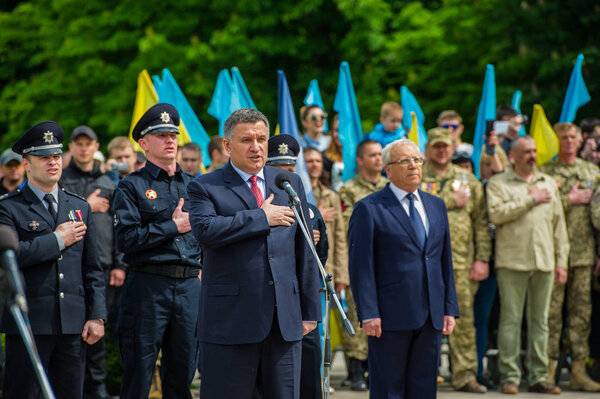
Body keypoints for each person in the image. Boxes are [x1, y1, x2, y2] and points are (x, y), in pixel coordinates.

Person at [188, 108, 321, 399]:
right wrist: (261, 217)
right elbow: (206, 231)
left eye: (262, 139)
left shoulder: (287, 182)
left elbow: (305, 250)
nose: (256, 147)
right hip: (231, 323)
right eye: (246, 140)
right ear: (227, 145)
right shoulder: (204, 186)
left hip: (284, 322)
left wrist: (311, 310)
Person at [0, 121, 106, 398]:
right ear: (26, 163)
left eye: (56, 156)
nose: (52, 163)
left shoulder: (79, 206)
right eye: (44, 157)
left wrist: (96, 315)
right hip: (30, 322)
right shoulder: (8, 207)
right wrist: (57, 240)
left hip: (72, 323)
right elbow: (11, 256)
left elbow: (92, 267)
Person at [348, 138, 459, 398]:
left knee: (423, 389)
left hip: (431, 315)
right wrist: (369, 312)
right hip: (388, 317)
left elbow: (444, 260)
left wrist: (449, 308)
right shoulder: (369, 208)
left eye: (417, 160)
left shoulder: (436, 205)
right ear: (388, 168)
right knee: (389, 389)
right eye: (405, 161)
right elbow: (361, 266)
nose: (413, 166)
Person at [113, 103, 202, 399]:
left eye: (173, 134)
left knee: (182, 373)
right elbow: (126, 239)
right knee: (139, 374)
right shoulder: (131, 186)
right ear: (144, 143)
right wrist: (172, 227)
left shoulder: (195, 185)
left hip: (189, 285)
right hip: (148, 286)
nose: (170, 140)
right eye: (161, 135)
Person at [487, 136, 569, 394]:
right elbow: (496, 215)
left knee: (540, 322)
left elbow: (559, 227)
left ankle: (539, 376)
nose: (532, 155)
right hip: (512, 262)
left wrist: (561, 261)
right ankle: (510, 376)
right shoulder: (498, 183)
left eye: (534, 150)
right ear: (513, 156)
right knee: (510, 320)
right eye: (525, 152)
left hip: (544, 260)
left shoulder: (547, 183)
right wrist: (530, 200)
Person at [421, 128, 490, 394]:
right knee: (424, 320)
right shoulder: (418, 177)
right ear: (428, 149)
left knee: (462, 321)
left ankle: (464, 374)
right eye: (436, 146)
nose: (441, 150)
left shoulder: (467, 179)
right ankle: (427, 374)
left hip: (461, 263)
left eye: (446, 146)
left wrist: (482, 258)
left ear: (452, 147)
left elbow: (482, 222)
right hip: (424, 262)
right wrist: (451, 200)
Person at [60, 125, 127, 399]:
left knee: (98, 330)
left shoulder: (108, 183)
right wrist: (86, 204)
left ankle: (97, 390)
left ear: (96, 146)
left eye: (89, 144)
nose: (84, 148)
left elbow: (119, 227)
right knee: (72, 332)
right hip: (69, 266)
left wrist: (119, 264)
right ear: (72, 147)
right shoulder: (61, 181)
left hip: (103, 266)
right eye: (79, 144)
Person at [265, 133, 327, 399]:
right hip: (269, 305)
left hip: (301, 303)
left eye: (290, 170)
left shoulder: (309, 210)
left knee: (309, 375)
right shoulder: (256, 206)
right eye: (279, 170)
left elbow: (318, 257)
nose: (285, 177)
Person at [541, 123, 600, 391]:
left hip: (584, 253)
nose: (568, 141)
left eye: (573, 137)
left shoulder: (592, 171)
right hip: (553, 254)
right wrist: (570, 199)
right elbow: (541, 209)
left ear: (580, 140)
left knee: (581, 314)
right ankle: (548, 370)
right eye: (563, 137)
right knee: (550, 315)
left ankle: (578, 371)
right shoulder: (546, 172)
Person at [339, 139, 387, 392]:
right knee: (359, 315)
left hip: (386, 263)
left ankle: (374, 368)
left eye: (380, 154)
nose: (378, 159)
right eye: (372, 155)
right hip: (359, 261)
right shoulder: (348, 190)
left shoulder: (390, 187)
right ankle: (356, 369)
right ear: (360, 160)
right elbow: (346, 231)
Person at [304, 147, 349, 293]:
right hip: (303, 268)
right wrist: (318, 216)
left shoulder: (331, 196)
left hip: (327, 269)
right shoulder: (295, 194)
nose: (315, 164)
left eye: (318, 161)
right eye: (309, 161)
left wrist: (341, 275)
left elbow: (340, 237)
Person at [322, 114, 344, 191]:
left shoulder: (359, 156)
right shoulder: (323, 159)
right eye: (337, 130)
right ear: (331, 132)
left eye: (343, 130)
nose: (340, 135)